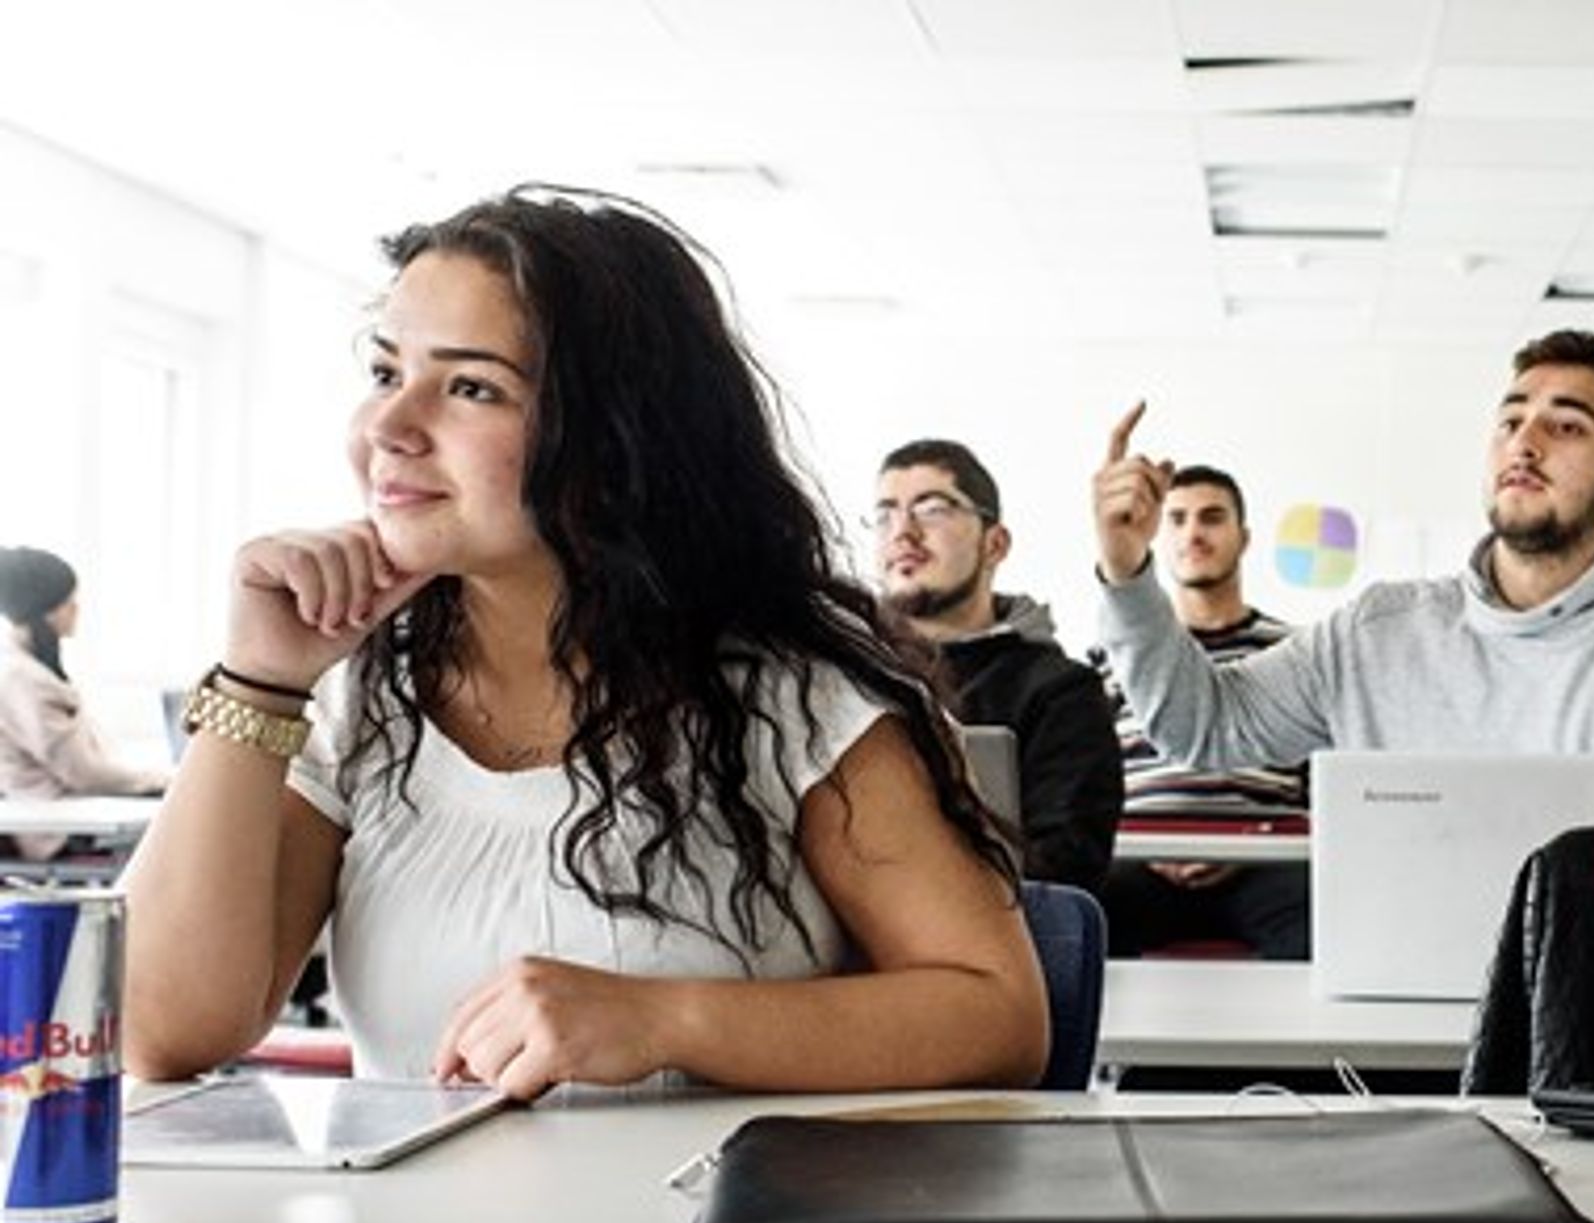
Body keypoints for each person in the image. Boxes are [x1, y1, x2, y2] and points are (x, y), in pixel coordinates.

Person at [120, 187, 1049, 1098]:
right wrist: (262, 681)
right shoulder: (358, 691)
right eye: (385, 373)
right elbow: (159, 1032)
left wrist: (661, 1019)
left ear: (614, 438)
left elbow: (997, 1015)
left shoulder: (793, 696)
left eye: (472, 387)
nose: (389, 429)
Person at [1090, 330, 1594, 769]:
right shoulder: (1377, 633)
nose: (1524, 444)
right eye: (1511, 421)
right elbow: (1204, 725)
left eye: (1566, 427)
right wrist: (1127, 573)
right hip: (1393, 936)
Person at [871, 439, 1123, 893]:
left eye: (931, 509)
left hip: (989, 932)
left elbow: (1065, 868)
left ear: (995, 544)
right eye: (885, 513)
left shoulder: (1060, 691)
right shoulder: (846, 676)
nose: (902, 533)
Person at [1091, 464, 1311, 959]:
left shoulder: (1297, 652)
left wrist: (1246, 847)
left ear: (1244, 537)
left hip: (1270, 859)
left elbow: (1327, 782)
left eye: (1212, 518)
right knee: (1076, 918)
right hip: (1140, 860)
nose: (1194, 532)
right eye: (1178, 519)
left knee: (1327, 921)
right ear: (1157, 536)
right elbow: (1092, 786)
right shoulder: (1113, 657)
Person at [0, 546, 171, 860]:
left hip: (68, 815)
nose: (76, 609)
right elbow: (82, 772)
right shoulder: (23, 680)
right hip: (55, 831)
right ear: (46, 609)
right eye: (69, 601)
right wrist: (163, 780)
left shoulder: (28, 671)